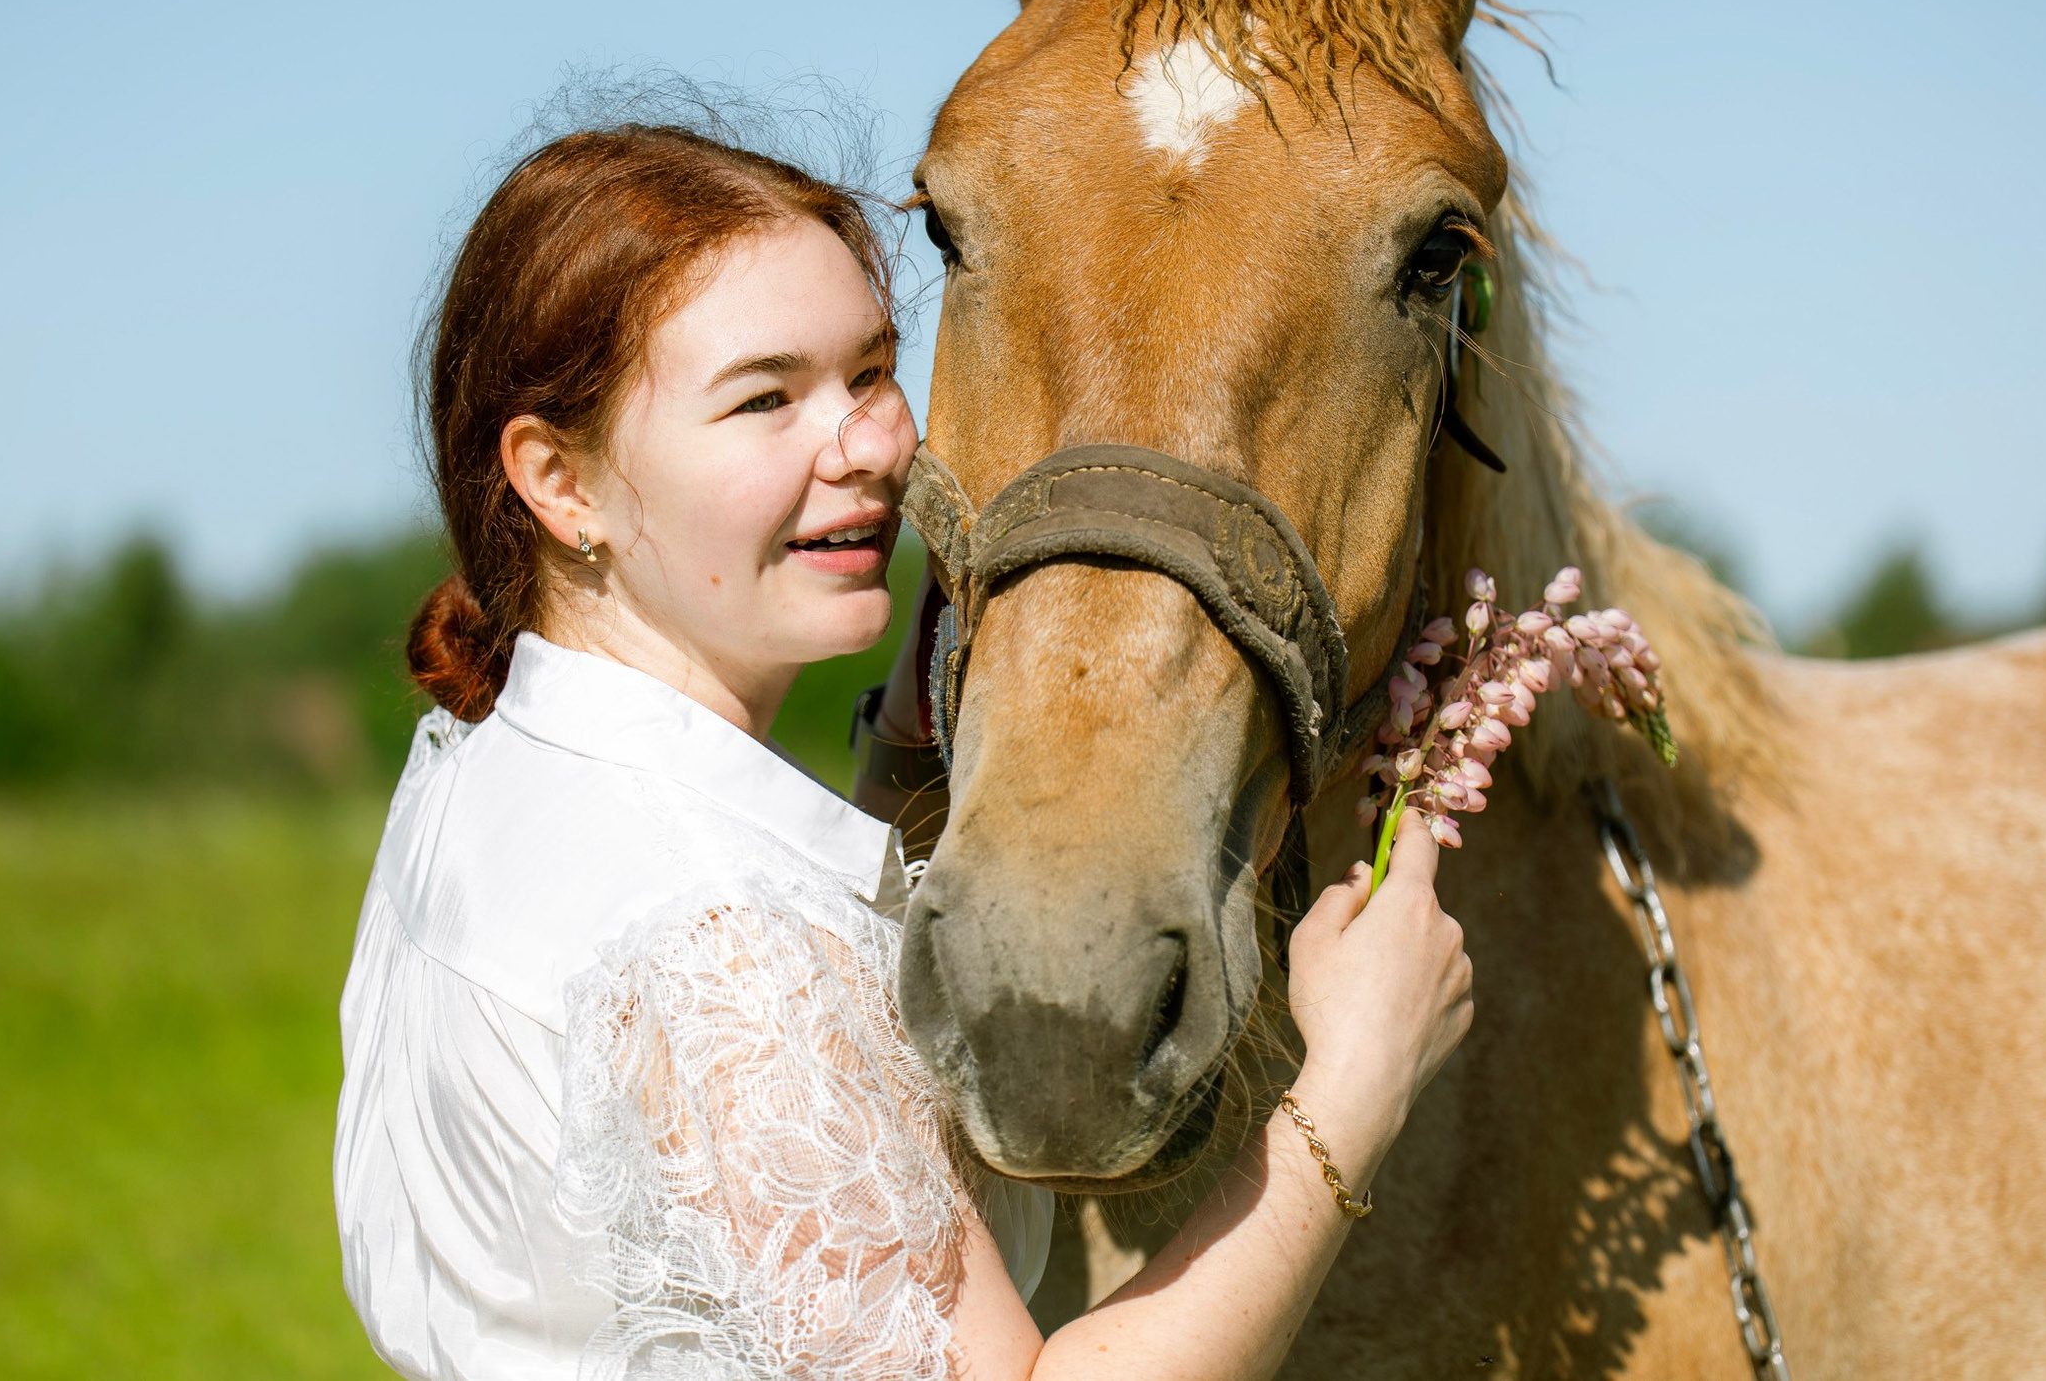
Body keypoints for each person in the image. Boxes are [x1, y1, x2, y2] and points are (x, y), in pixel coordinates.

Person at [333, 117, 1473, 1381]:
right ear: (561, 481)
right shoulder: (714, 938)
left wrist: (899, 756)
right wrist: (1349, 1097)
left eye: (871, 372)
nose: (876, 445)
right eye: (765, 397)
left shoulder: (485, 766)